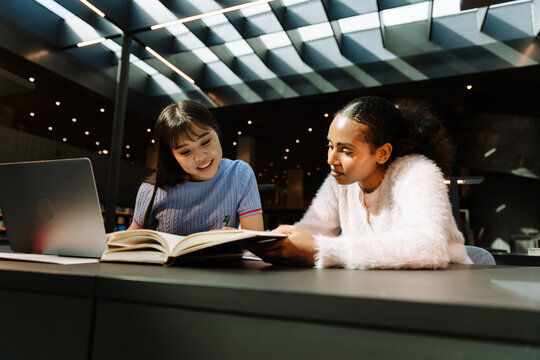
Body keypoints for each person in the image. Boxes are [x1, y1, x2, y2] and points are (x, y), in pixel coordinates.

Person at [249, 96, 472, 269]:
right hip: (378, 288)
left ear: (382, 153)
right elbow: (311, 230)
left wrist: (321, 250)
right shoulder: (339, 182)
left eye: (346, 150)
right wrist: (249, 244)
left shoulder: (417, 172)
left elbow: (427, 248)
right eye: (330, 146)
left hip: (444, 288)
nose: (331, 159)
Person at [127, 100, 264, 235]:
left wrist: (238, 237)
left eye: (205, 142)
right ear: (171, 156)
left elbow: (256, 243)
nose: (200, 157)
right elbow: (131, 242)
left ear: (216, 131)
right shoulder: (152, 190)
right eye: (185, 152)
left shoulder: (239, 174)